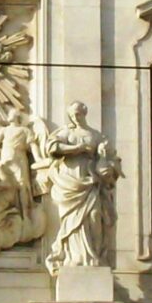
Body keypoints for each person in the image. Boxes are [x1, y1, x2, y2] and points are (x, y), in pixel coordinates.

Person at [40, 102, 121, 273]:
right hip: (70, 181)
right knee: (72, 220)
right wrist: (77, 148)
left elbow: (111, 158)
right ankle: (74, 258)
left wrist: (105, 159)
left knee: (94, 215)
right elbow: (52, 148)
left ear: (84, 113)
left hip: (90, 181)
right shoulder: (65, 132)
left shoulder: (96, 135)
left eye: (78, 114)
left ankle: (94, 258)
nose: (76, 117)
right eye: (73, 115)